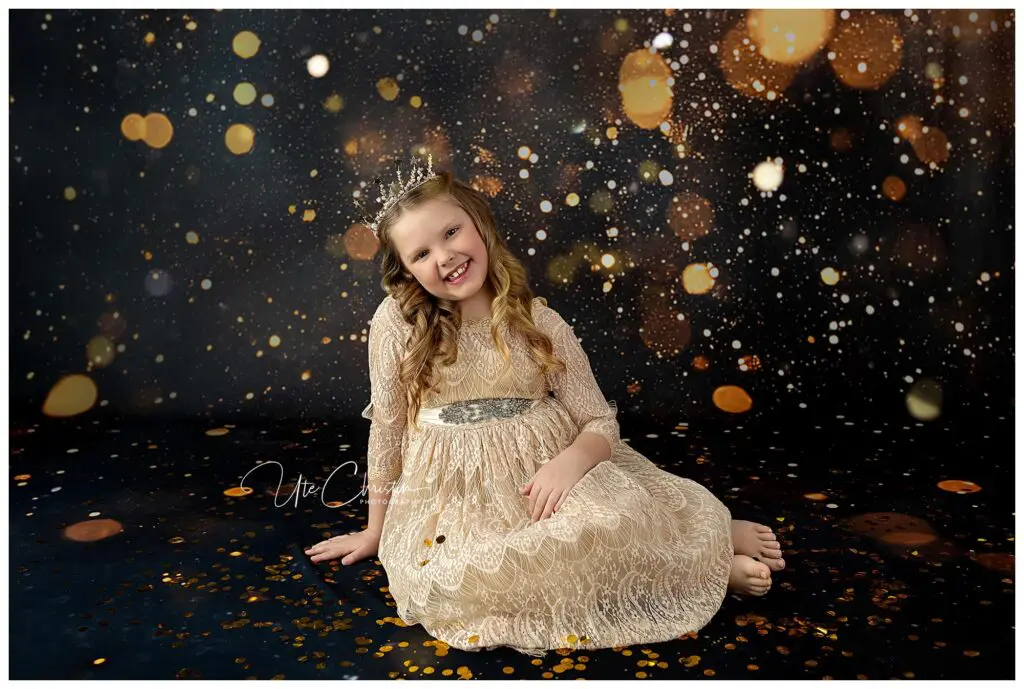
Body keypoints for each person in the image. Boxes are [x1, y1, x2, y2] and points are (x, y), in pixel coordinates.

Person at [306, 155, 785, 657]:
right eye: (421, 253)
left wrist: (571, 461)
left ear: (480, 224)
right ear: (405, 270)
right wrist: (376, 530)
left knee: (609, 524)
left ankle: (707, 556)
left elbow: (598, 419)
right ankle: (703, 568)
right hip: (454, 490)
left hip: (543, 471)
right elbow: (388, 427)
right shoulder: (397, 323)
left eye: (451, 232)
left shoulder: (537, 322)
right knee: (460, 578)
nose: (444, 257)